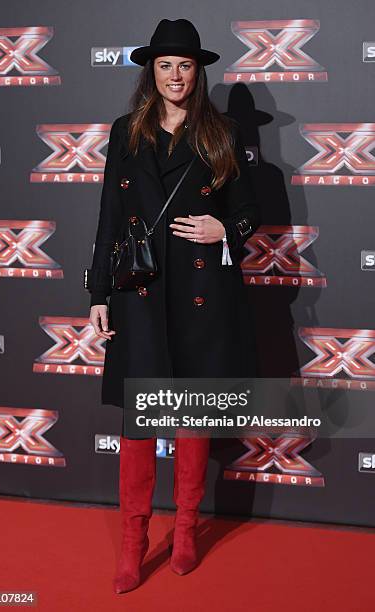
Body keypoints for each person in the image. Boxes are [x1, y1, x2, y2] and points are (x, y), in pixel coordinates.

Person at [86, 18, 260, 594]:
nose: (174, 75)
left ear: (198, 70)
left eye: (184, 65)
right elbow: (111, 214)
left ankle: (185, 531)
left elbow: (249, 208)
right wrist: (98, 293)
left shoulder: (222, 132)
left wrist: (224, 230)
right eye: (164, 65)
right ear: (150, 71)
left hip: (201, 294)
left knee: (189, 419)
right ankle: (134, 541)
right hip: (141, 290)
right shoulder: (126, 131)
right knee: (140, 424)